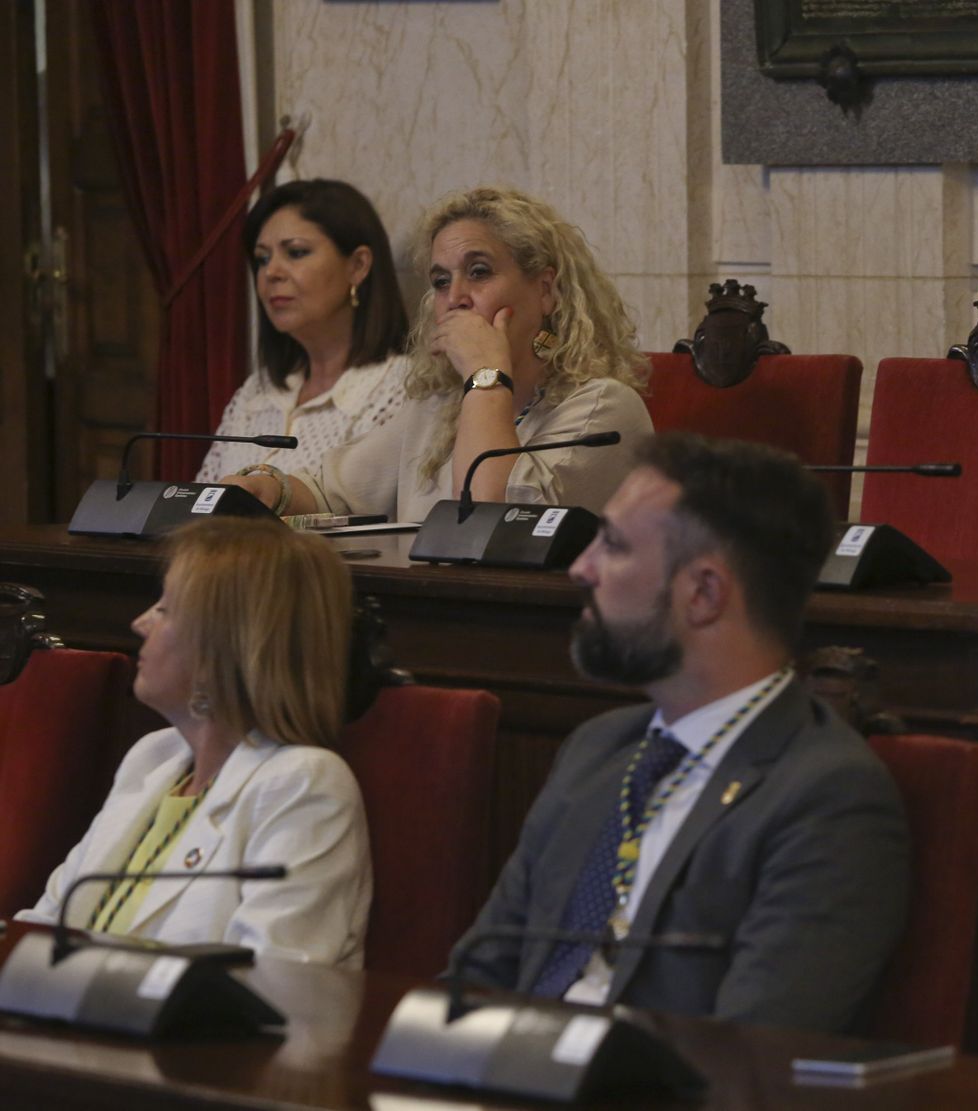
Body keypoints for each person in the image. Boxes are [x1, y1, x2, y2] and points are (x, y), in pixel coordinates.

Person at [451, 432, 909, 1032]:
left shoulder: (825, 796)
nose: (579, 568)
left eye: (612, 546)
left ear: (704, 593)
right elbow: (478, 974)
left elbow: (752, 1049)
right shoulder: (598, 749)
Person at [18, 518, 372, 968]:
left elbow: (273, 981)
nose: (140, 622)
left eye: (165, 609)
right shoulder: (152, 759)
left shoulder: (304, 784)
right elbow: (46, 924)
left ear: (223, 645)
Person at [225, 186, 651, 521]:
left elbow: (490, 521)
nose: (456, 298)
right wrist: (270, 489)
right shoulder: (441, 406)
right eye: (441, 281)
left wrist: (486, 373)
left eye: (479, 272)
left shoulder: (604, 406)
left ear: (545, 290)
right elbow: (328, 492)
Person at [197, 178, 409, 483]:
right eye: (262, 259)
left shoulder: (400, 389)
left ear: (358, 266)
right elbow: (199, 501)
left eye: (295, 253)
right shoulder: (255, 393)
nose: (271, 273)